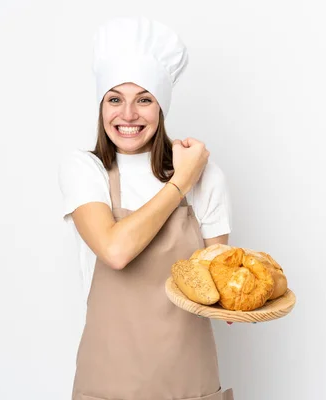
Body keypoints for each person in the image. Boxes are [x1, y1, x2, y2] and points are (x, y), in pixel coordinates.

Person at [58, 16, 234, 399]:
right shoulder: (86, 169)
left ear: (161, 107)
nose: (128, 115)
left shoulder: (209, 176)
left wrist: (238, 300)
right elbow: (115, 250)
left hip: (189, 377)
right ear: (101, 105)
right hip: (109, 378)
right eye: (115, 99)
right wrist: (180, 182)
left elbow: (219, 284)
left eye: (144, 99)